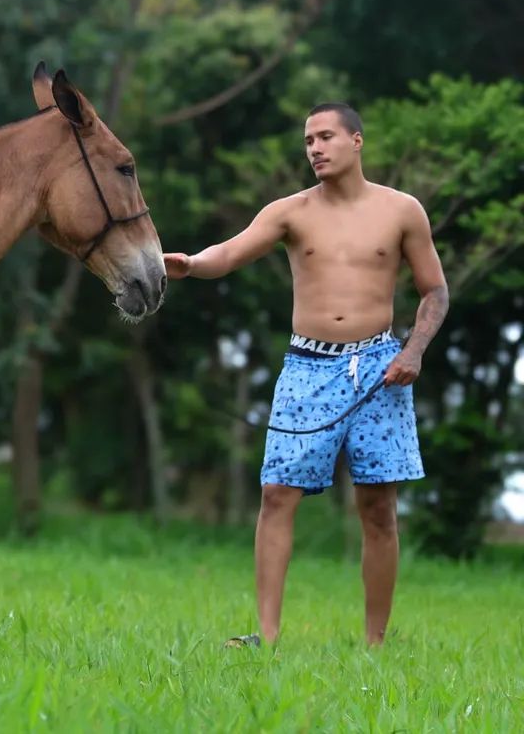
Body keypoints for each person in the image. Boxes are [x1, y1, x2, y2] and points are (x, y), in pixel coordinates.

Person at [163, 102, 449, 647]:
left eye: (325, 137)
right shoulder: (290, 211)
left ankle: (376, 643)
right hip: (307, 367)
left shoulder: (402, 210)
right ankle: (266, 638)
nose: (314, 148)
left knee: (378, 506)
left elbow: (435, 290)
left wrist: (413, 350)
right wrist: (192, 265)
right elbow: (229, 252)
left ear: (356, 141)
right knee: (276, 494)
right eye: (308, 141)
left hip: (380, 369)